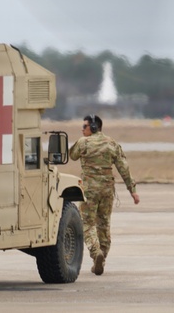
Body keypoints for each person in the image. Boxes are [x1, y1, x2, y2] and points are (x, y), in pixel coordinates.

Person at [69, 114, 140, 276]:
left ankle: (96, 253)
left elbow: (72, 156)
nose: (82, 129)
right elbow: (123, 167)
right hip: (107, 190)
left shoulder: (83, 142)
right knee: (104, 224)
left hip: (89, 190)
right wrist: (133, 191)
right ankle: (101, 258)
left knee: (87, 223)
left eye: (84, 127)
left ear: (93, 128)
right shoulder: (112, 143)